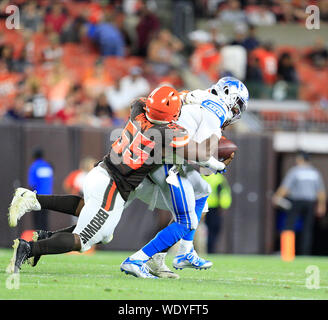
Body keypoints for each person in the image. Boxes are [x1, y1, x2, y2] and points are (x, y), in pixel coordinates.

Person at [7, 86, 220, 277]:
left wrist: (177, 99)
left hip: (101, 171)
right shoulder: (168, 132)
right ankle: (28, 248)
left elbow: (138, 100)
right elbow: (200, 154)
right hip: (113, 187)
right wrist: (216, 137)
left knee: (98, 225)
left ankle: (36, 205)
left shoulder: (138, 111)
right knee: (83, 240)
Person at [272, 151, 326, 255]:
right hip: (310, 202)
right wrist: (321, 205)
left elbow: (285, 187)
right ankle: (305, 253)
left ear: (299, 159)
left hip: (297, 201)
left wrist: (277, 197)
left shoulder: (295, 171)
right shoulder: (315, 173)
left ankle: (287, 253)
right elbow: (320, 191)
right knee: (307, 228)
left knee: (289, 226)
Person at [202, 172, 232, 254]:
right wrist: (223, 206)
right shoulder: (218, 178)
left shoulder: (202, 177)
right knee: (214, 230)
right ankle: (211, 251)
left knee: (207, 230)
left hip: (203, 207)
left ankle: (208, 250)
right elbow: (222, 193)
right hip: (215, 208)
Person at [27, 148, 54, 230]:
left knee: (37, 221)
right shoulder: (48, 166)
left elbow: (32, 184)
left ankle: (38, 240)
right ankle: (46, 239)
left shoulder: (34, 167)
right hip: (48, 198)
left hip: (37, 197)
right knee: (45, 220)